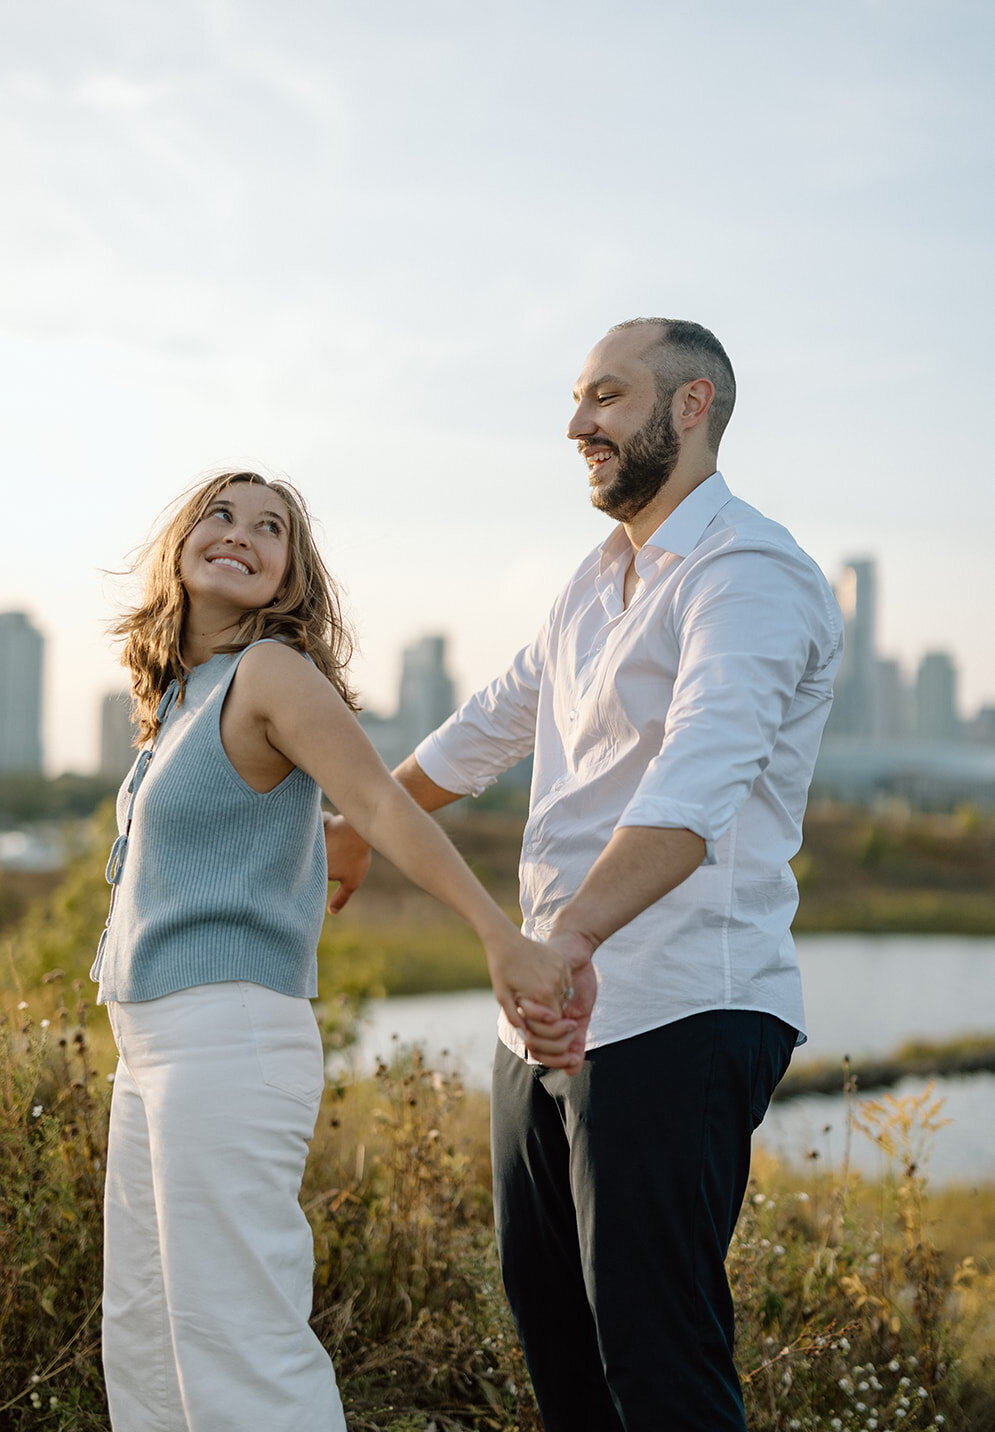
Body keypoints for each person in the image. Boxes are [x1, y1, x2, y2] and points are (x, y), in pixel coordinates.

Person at [326, 318, 844, 1432]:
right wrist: (360, 821)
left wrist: (569, 941)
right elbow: (491, 722)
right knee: (559, 1352)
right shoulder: (594, 576)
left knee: (657, 1368)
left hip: (675, 1002)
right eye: (576, 400)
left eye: (606, 397)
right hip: (551, 1017)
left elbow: (691, 792)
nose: (577, 425)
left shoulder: (748, 571)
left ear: (691, 405)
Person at [90, 470, 575, 1432]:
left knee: (238, 1342)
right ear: (179, 545)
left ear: (287, 579)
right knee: (145, 1337)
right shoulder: (179, 697)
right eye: (219, 516)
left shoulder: (271, 674)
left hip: (225, 1037)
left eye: (269, 529)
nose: (240, 534)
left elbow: (382, 807)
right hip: (148, 1048)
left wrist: (496, 936)